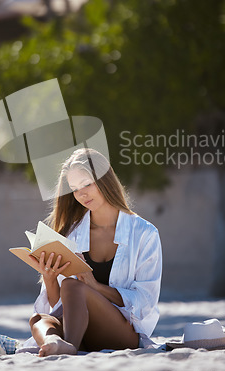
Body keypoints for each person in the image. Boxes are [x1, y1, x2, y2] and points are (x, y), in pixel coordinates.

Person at [24, 148, 162, 357]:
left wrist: (94, 286)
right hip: (83, 332)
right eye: (75, 189)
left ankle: (68, 345)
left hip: (122, 333)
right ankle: (54, 341)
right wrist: (50, 278)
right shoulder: (72, 234)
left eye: (87, 184)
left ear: (105, 180)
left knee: (73, 286)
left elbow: (145, 302)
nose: (82, 194)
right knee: (39, 319)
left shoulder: (144, 233)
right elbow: (59, 305)